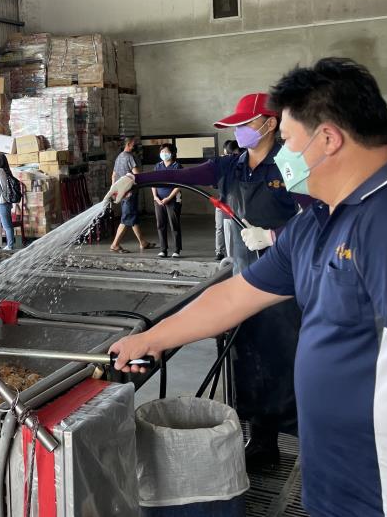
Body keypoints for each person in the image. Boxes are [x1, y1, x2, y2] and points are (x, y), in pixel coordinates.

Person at [109, 58, 387, 517]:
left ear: (329, 139)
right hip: (335, 486)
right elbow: (237, 295)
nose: (284, 155)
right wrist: (152, 338)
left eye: (291, 141)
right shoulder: (318, 220)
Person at [107, 92, 307, 468]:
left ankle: (312, 448)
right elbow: (181, 175)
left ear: (269, 124)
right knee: (248, 362)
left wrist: (276, 236)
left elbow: (321, 216)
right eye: (236, 126)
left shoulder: (291, 163)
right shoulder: (230, 167)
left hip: (287, 285)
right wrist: (135, 179)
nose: (240, 131)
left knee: (289, 362)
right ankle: (262, 443)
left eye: (245, 124)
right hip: (243, 278)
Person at [109, 137, 155, 253]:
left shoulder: (119, 157)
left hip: (122, 193)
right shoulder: (129, 157)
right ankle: (115, 244)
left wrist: (114, 190)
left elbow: (113, 175)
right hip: (129, 193)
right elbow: (136, 175)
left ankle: (142, 242)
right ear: (128, 144)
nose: (136, 146)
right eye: (134, 144)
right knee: (126, 218)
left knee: (133, 217)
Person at [152, 143, 183, 258]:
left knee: (174, 224)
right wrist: (155, 197)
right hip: (158, 200)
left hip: (173, 200)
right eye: (162, 152)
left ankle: (176, 250)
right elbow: (153, 183)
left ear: (172, 153)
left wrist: (169, 198)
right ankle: (163, 249)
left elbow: (180, 185)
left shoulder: (177, 166)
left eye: (166, 152)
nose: (163, 154)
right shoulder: (158, 166)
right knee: (160, 224)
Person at [214, 139, 241, 259]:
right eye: (227, 154)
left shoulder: (241, 163)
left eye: (232, 154)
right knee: (220, 228)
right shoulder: (221, 164)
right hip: (222, 202)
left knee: (235, 228)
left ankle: (235, 255)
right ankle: (220, 251)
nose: (229, 156)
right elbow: (215, 183)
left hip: (236, 204)